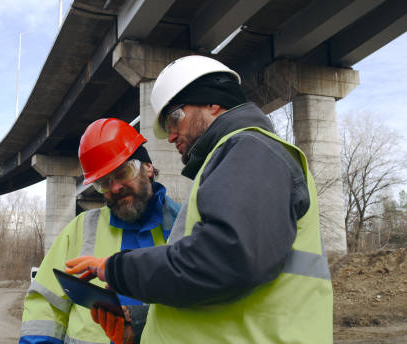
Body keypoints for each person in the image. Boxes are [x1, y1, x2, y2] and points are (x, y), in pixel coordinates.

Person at [65, 55, 333, 343]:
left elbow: (226, 258)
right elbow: (214, 289)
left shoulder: (249, 149)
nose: (170, 137)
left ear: (212, 103)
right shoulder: (230, 160)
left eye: (173, 120)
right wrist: (142, 326)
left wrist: (116, 268)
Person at [19, 118, 181, 344]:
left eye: (124, 171)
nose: (115, 187)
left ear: (148, 167)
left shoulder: (184, 226)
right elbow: (45, 303)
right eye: (103, 182)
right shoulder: (81, 228)